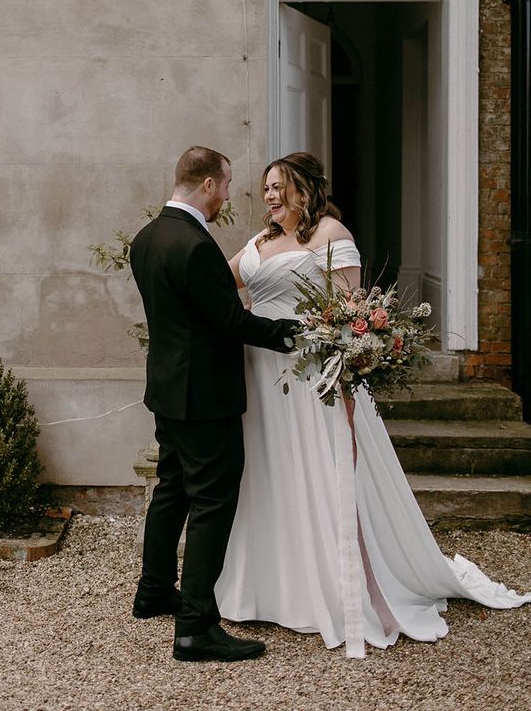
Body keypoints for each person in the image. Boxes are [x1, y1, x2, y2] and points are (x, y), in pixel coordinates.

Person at [215, 152, 531, 657]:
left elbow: (346, 317)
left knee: (316, 472)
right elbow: (218, 284)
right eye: (266, 188)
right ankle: (264, 586)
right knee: (267, 474)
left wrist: (343, 382)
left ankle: (331, 586)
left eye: (280, 187)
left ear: (304, 190)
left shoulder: (332, 237)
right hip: (258, 374)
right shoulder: (259, 241)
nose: (270, 196)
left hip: (310, 377)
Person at [129, 146, 300, 663]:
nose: (229, 195)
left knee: (173, 489)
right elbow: (232, 322)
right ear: (206, 184)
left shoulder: (147, 238)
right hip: (204, 397)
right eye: (226, 185)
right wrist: (296, 333)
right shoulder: (194, 245)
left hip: (167, 390)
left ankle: (154, 590)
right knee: (212, 502)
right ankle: (196, 628)